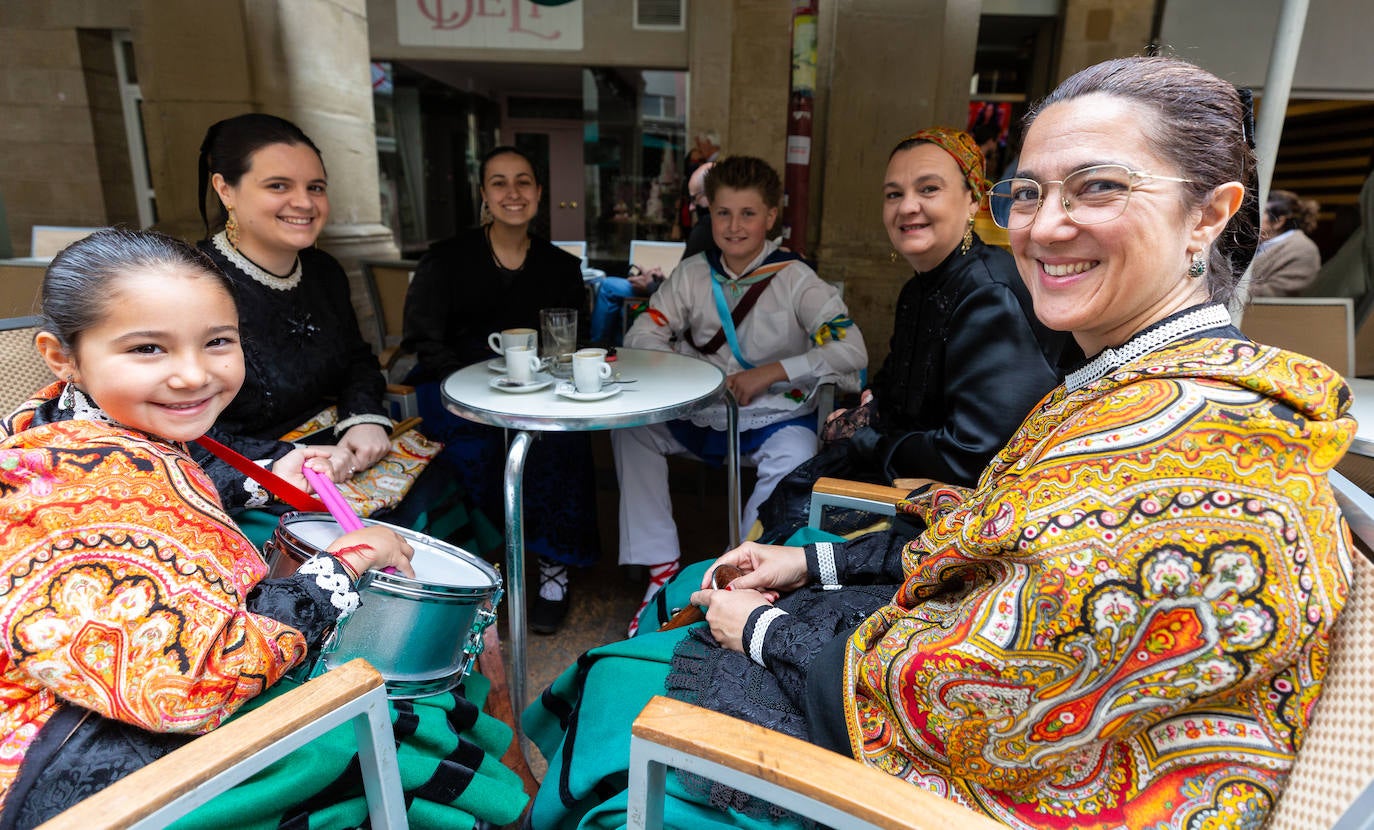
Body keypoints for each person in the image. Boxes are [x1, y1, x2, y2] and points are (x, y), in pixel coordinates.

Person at [524, 56, 1356, 829]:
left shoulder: (1212, 447)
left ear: (1208, 215)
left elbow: (996, 701)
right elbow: (994, 532)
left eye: (1098, 188)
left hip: (968, 778)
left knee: (623, 701)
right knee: (692, 605)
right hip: (949, 682)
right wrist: (811, 566)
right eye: (1028, 194)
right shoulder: (1131, 386)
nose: (1045, 227)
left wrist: (768, 631)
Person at [0, 228, 415, 824]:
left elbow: (165, 482)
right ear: (63, 355)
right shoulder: (71, 493)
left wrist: (264, 472)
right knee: (403, 726)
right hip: (92, 768)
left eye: (217, 341)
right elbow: (186, 681)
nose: (193, 375)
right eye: (148, 349)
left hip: (113, 718)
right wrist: (342, 567)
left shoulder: (68, 425)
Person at [754, 128, 1075, 545]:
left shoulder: (988, 293)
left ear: (972, 199)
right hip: (904, 472)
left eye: (928, 189)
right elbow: (896, 387)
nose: (908, 207)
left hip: (951, 508)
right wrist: (866, 410)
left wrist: (870, 439)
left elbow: (974, 452)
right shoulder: (920, 288)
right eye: (893, 194)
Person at [613, 155, 867, 634]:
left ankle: (733, 575)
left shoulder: (796, 279)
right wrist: (683, 372)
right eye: (722, 213)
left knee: (796, 453)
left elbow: (851, 348)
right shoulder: (691, 273)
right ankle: (661, 568)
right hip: (700, 412)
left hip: (770, 417)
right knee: (633, 431)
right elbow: (643, 334)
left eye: (748, 213)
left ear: (771, 217)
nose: (733, 226)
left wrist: (773, 371)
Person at [401, 145, 600, 634]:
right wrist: (476, 390)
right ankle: (478, 568)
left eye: (524, 181)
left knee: (561, 445)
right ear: (484, 194)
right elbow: (423, 340)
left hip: (538, 394)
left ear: (538, 192)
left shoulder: (559, 266)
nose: (513, 193)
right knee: (476, 447)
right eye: (499, 182)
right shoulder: (446, 261)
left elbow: (575, 344)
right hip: (455, 390)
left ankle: (553, 568)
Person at [193, 114, 397, 521]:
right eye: (278, 186)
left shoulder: (324, 272)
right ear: (225, 190)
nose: (304, 202)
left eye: (315, 188)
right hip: (242, 476)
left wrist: (363, 420)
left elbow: (357, 359)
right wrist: (292, 459)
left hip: (334, 451)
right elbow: (179, 424)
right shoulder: (190, 283)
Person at [589, 161, 719, 346]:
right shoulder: (710, 228)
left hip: (685, 310)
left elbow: (686, 293)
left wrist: (651, 285)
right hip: (682, 300)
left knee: (609, 287)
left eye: (694, 198)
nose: (691, 207)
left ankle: (596, 349)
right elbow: (688, 280)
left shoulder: (707, 227)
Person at [1249, 189, 1322, 296]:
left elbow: (1274, 294)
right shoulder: (1257, 242)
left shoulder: (1303, 250)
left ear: (1279, 222)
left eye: (1259, 213)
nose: (1250, 219)